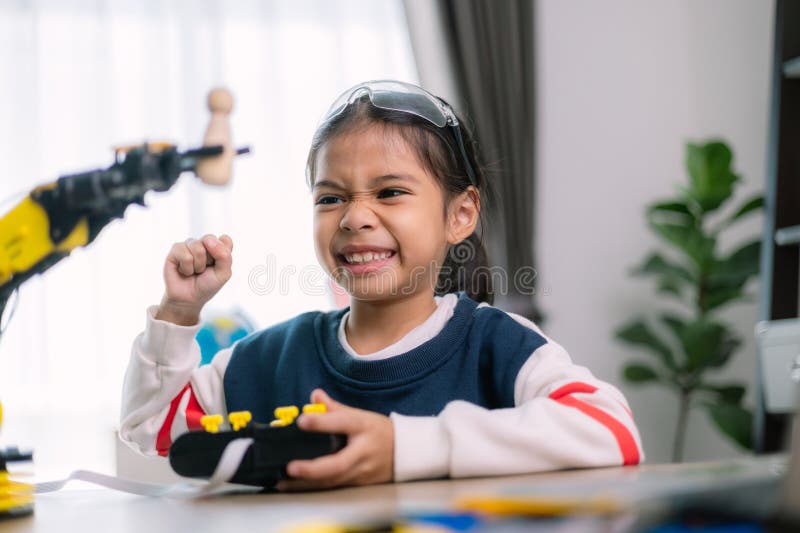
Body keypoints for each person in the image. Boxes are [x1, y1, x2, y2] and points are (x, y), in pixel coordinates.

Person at [120, 80, 643, 490]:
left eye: (390, 192)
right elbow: (155, 430)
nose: (354, 217)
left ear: (460, 215)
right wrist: (177, 313)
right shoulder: (271, 357)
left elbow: (612, 431)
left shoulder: (497, 345)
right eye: (330, 198)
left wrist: (405, 446)